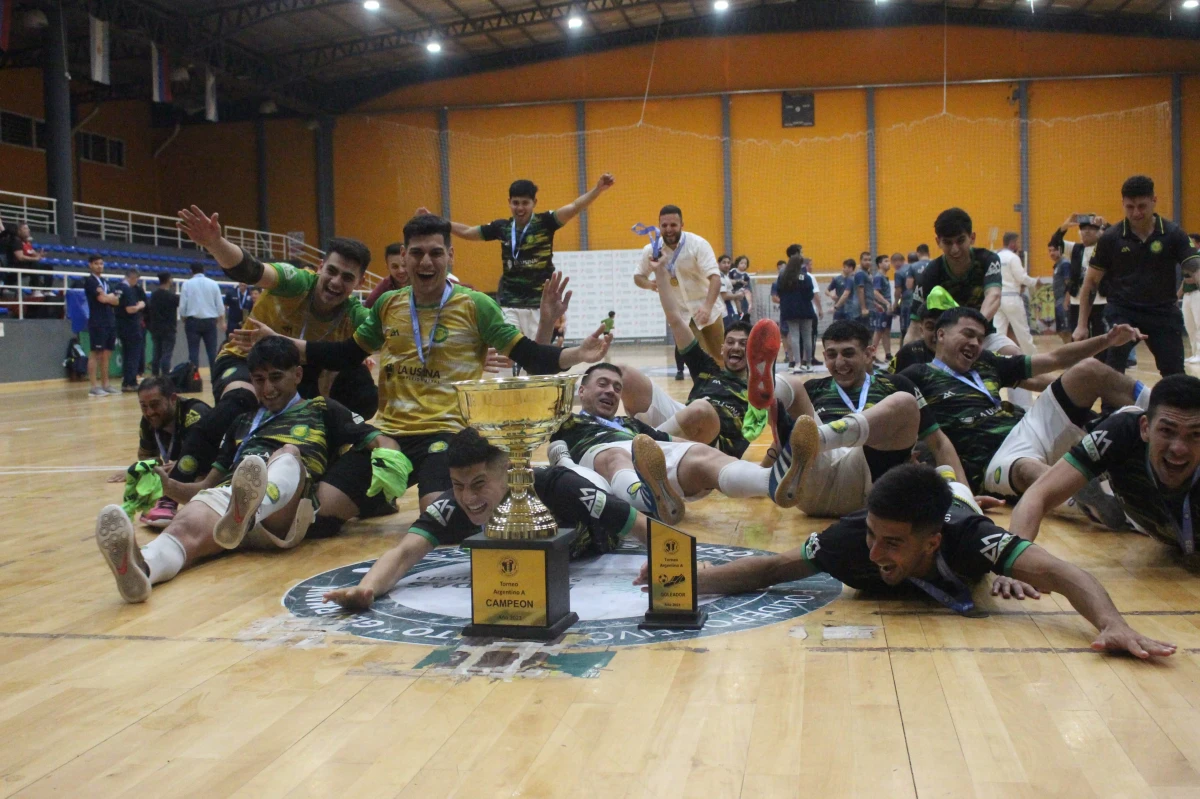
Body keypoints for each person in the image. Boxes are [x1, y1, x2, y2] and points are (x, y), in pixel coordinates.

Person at [236, 213, 614, 521]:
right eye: (417, 253)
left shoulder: (475, 305)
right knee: (325, 514)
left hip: (445, 432)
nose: (426, 262)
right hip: (388, 434)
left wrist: (579, 353)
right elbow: (347, 354)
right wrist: (289, 346)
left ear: (451, 256)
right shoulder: (388, 305)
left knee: (441, 517)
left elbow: (529, 354)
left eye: (436, 253)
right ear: (405, 255)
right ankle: (368, 499)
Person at [642, 464, 1175, 659]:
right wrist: (687, 578)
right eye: (873, 535)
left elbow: (1065, 574)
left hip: (959, 506)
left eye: (893, 544)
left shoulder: (969, 539)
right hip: (932, 505)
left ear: (931, 543)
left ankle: (953, 475)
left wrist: (1113, 624)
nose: (875, 553)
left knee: (954, 485)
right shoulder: (848, 540)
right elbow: (770, 570)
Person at [95, 338, 393, 604]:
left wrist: (391, 462)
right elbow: (205, 486)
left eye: (276, 377)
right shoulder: (241, 421)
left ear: (298, 374)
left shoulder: (321, 408)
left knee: (288, 455)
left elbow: (375, 437)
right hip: (231, 512)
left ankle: (249, 509)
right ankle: (141, 570)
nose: (267, 389)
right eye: (259, 379)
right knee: (183, 529)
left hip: (285, 512)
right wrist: (168, 485)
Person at [168, 205, 378, 500]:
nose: (335, 282)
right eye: (331, 271)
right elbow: (252, 269)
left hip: (293, 375)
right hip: (243, 358)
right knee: (241, 399)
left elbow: (368, 346)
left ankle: (316, 476)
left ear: (360, 282)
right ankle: (177, 483)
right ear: (319, 267)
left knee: (356, 394)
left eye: (347, 277)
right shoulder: (295, 282)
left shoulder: (355, 315)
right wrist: (215, 243)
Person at [324, 427, 653, 611]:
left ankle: (566, 458)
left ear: (510, 473)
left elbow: (641, 526)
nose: (468, 498)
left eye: (479, 484)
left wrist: (669, 565)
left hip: (589, 500)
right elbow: (404, 553)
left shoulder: (562, 490)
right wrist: (366, 589)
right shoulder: (454, 504)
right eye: (458, 485)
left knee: (621, 492)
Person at [901, 306, 1148, 498]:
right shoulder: (916, 375)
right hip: (994, 461)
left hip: (1027, 428)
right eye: (968, 334)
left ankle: (1159, 410)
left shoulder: (987, 361)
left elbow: (1053, 358)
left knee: (1089, 370)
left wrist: (1106, 340)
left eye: (980, 337)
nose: (975, 343)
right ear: (941, 334)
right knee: (1026, 470)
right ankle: (1098, 500)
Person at [549, 363, 808, 525]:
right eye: (602, 384)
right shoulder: (566, 422)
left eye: (617, 388)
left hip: (647, 455)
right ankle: (647, 497)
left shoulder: (632, 425)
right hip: (600, 460)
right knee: (617, 455)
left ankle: (770, 482)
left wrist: (702, 449)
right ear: (581, 392)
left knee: (702, 458)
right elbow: (553, 451)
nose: (611, 391)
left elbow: (672, 441)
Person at [776, 320, 966, 515]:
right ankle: (769, 388)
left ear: (868, 354)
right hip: (815, 484)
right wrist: (762, 477)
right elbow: (775, 449)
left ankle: (819, 438)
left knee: (905, 402)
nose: (840, 362)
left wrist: (964, 496)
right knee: (790, 385)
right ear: (824, 356)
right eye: (832, 355)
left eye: (848, 353)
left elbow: (939, 443)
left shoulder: (896, 384)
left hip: (875, 491)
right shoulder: (813, 389)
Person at [1008, 375, 1200, 553]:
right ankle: (1095, 490)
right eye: (1167, 431)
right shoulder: (1121, 433)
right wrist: (1016, 562)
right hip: (1148, 511)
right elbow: (1039, 494)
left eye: (1195, 434)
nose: (1179, 448)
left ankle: (1099, 499)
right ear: (1145, 428)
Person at [427, 174, 614, 340]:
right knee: (508, 353)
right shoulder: (501, 228)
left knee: (537, 360)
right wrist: (436, 222)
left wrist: (597, 190)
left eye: (525, 203)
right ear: (509, 202)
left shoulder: (546, 223)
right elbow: (468, 232)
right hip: (510, 304)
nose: (520, 208)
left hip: (540, 305)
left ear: (534, 203)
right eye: (515, 203)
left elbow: (575, 206)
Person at [616, 256, 762, 459]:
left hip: (714, 449)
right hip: (684, 428)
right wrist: (659, 274)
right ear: (722, 349)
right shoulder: (708, 369)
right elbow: (675, 319)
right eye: (730, 342)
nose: (735, 347)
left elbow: (784, 425)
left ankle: (633, 449)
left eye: (742, 344)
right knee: (622, 373)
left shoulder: (760, 388)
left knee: (701, 408)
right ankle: (633, 439)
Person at [1074, 176, 1200, 377]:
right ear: (1123, 204)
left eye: (1142, 206)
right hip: (1123, 311)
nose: (1136, 213)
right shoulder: (1111, 238)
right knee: (1112, 370)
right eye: (1130, 207)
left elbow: (1195, 267)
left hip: (1162, 311)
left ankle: (1176, 408)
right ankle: (1111, 409)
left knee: (1174, 373)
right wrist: (1081, 325)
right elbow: (1091, 282)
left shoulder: (1173, 233)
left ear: (1154, 201)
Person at [632, 204, 726, 367]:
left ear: (682, 224)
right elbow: (638, 276)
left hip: (708, 309)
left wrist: (707, 307)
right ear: (659, 225)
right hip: (682, 316)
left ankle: (734, 389)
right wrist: (650, 285)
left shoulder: (698, 244)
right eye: (664, 225)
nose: (669, 229)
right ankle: (707, 391)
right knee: (699, 362)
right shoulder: (652, 250)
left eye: (673, 225)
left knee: (722, 357)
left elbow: (715, 279)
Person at [112, 376, 212, 527]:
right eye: (143, 406)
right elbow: (147, 457)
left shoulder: (194, 414)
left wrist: (179, 466)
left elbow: (206, 455)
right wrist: (141, 470)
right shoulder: (147, 421)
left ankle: (171, 503)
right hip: (190, 467)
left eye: (155, 405)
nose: (149, 412)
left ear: (172, 399)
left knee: (192, 471)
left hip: (221, 466)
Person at [1051, 213, 1109, 356]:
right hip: (1077, 301)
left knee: (1099, 336)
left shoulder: (1105, 248)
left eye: (1091, 228)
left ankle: (1100, 363)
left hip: (1100, 300)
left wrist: (1107, 225)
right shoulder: (1075, 249)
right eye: (1083, 228)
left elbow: (1117, 238)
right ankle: (1078, 364)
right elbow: (1055, 243)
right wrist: (1064, 226)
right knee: (1077, 336)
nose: (1087, 231)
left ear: (1099, 232)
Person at [993, 232, 1038, 356]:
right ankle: (1032, 359)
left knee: (998, 332)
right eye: (1017, 242)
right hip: (1012, 297)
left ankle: (997, 360)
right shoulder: (1013, 257)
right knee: (1022, 332)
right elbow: (1021, 277)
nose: (1018, 245)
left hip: (997, 298)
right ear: (1012, 243)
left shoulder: (995, 256)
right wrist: (1034, 282)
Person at [772, 255, 818, 372]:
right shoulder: (806, 277)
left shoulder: (783, 277)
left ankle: (797, 364)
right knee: (807, 336)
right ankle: (808, 363)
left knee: (794, 336)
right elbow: (810, 294)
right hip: (806, 309)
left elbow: (779, 292)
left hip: (789, 310)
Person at [83, 254, 120, 397]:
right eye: (96, 263)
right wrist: (109, 298)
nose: (99, 266)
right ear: (90, 265)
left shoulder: (105, 281)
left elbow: (116, 302)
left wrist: (109, 298)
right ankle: (94, 386)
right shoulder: (91, 281)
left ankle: (106, 384)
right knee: (95, 353)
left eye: (101, 263)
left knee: (107, 354)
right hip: (97, 321)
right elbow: (103, 298)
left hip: (109, 320)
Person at [178, 262, 226, 373]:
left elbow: (183, 305)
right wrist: (221, 320)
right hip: (210, 321)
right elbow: (219, 304)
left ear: (191, 271)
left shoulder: (187, 284)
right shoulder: (213, 283)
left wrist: (183, 317)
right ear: (203, 270)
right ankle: (215, 377)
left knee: (193, 351)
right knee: (212, 352)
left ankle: (194, 378)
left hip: (192, 321)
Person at [115, 268, 147, 392]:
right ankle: (130, 382)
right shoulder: (128, 290)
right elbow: (130, 309)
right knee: (133, 356)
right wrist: (140, 305)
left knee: (127, 354)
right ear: (133, 277)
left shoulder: (117, 287)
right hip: (131, 327)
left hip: (121, 325)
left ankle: (127, 381)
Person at [146, 272, 179, 377]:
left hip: (156, 328)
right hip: (169, 328)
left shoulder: (154, 295)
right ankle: (165, 377)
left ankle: (154, 376)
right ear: (169, 279)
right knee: (166, 354)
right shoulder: (172, 296)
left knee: (156, 354)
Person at [364, 242, 410, 308]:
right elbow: (367, 312)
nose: (401, 270)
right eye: (395, 266)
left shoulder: (422, 283)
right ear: (387, 267)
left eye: (404, 265)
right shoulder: (381, 291)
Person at [870, 254, 894, 361]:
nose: (888, 263)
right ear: (879, 264)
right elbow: (875, 292)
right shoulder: (878, 277)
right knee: (878, 331)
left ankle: (888, 354)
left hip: (887, 308)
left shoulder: (884, 276)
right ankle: (872, 354)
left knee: (886, 331)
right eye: (885, 261)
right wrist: (886, 303)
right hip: (881, 309)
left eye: (888, 261)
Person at [1050, 241, 1072, 344]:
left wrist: (1066, 301)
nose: (1051, 253)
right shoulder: (1057, 265)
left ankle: (1073, 355)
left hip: (1064, 301)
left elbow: (1069, 284)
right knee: (1060, 331)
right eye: (1050, 251)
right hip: (1058, 301)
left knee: (1067, 331)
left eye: (1054, 250)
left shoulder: (1065, 264)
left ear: (1061, 250)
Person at [893, 252, 914, 344]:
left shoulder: (899, 272)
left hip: (906, 303)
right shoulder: (913, 268)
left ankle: (903, 351)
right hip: (917, 301)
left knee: (904, 329)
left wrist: (895, 304)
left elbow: (898, 291)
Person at [1182, 262, 1200, 363]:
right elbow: (1185, 282)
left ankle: (1199, 354)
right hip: (1187, 295)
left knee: (1199, 324)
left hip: (1197, 293)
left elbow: (1192, 279)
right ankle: (1194, 353)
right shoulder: (1187, 258)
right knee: (1190, 326)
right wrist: (1178, 295)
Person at [730, 254, 753, 318]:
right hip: (732, 292)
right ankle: (739, 312)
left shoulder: (746, 275)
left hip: (741, 292)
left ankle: (741, 312)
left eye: (745, 264)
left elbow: (747, 288)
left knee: (741, 294)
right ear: (737, 263)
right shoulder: (733, 271)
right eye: (741, 263)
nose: (743, 265)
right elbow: (728, 281)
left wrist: (750, 303)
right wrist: (738, 281)